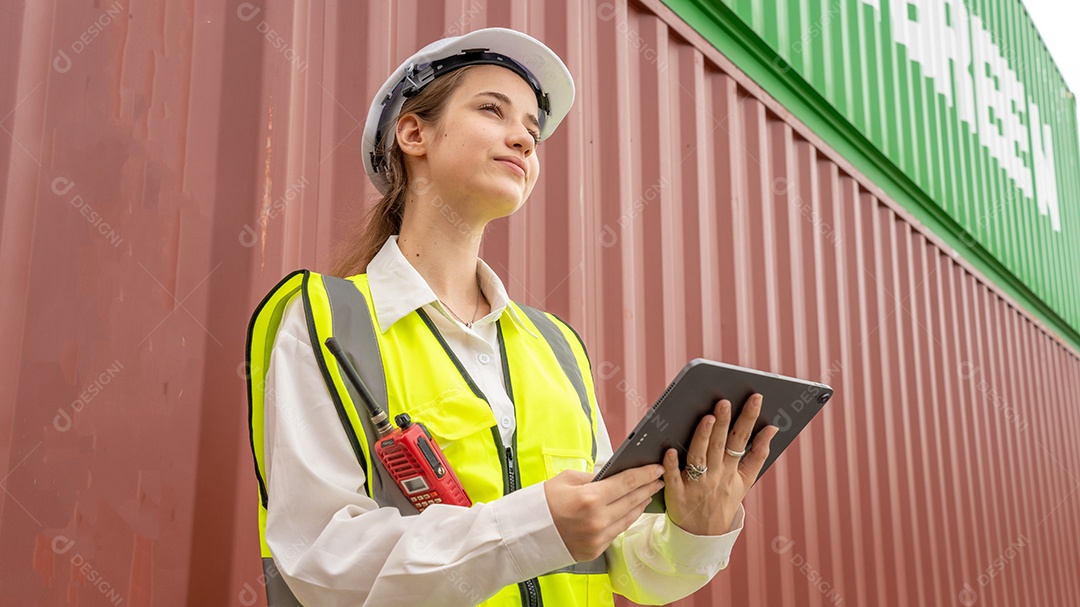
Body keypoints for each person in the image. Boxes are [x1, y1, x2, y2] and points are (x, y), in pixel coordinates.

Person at [245, 27, 779, 607]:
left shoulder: (555, 346)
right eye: (492, 110)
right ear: (413, 132)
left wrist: (695, 529)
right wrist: (533, 528)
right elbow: (321, 562)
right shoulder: (326, 320)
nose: (524, 140)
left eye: (532, 128)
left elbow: (621, 560)